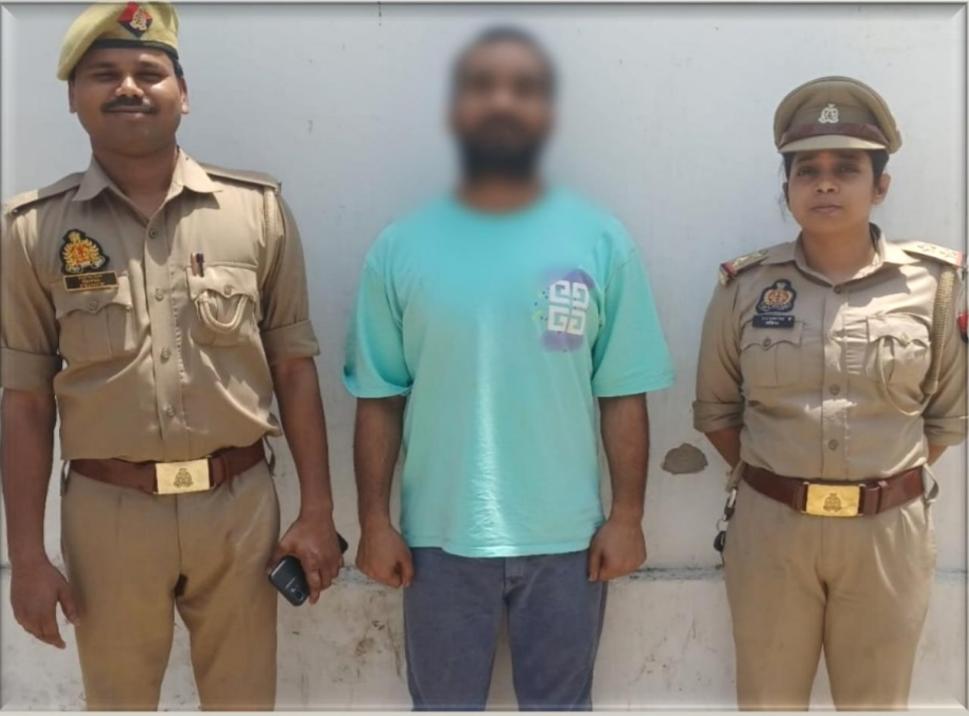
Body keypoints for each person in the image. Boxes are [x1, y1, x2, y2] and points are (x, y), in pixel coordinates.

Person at [0, 3, 343, 709]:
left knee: (243, 702)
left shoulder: (256, 211)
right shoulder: (33, 231)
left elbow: (294, 366)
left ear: (182, 94)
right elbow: (26, 400)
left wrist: (316, 511)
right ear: (73, 98)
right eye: (104, 74)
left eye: (149, 72)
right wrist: (27, 557)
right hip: (108, 514)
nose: (129, 87)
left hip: (238, 508)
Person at [343, 26, 675, 710]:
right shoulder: (401, 247)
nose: (501, 101)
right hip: (438, 540)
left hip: (568, 540)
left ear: (547, 111)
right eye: (481, 86)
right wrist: (374, 522)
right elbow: (379, 396)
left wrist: (627, 516)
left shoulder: (599, 240)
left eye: (523, 88)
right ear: (454, 109)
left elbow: (621, 391)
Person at [694, 75, 968, 710]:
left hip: (886, 534)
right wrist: (783, 483)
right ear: (787, 188)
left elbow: (946, 419)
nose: (824, 184)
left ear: (881, 186)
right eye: (806, 170)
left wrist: (877, 487)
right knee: (768, 701)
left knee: (876, 704)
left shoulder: (937, 285)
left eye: (846, 168)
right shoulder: (744, 287)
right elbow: (716, 412)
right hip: (772, 529)